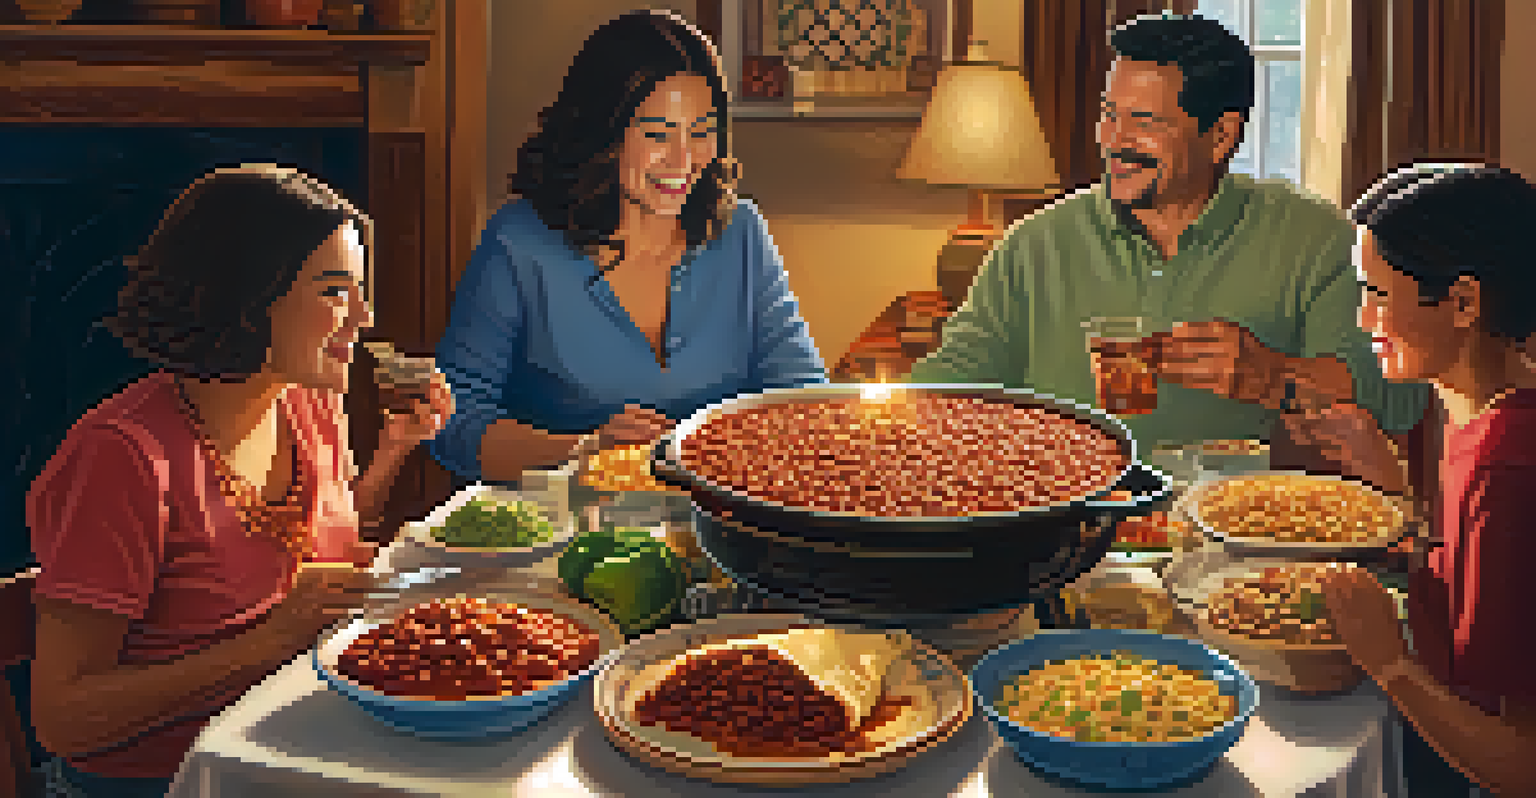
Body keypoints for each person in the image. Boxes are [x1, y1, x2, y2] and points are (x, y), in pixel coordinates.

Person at [26, 164, 454, 796]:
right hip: (172, 780)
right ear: (247, 297)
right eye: (335, 291)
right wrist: (272, 640)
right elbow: (63, 721)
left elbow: (319, 549)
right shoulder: (122, 457)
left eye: (362, 290)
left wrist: (394, 451)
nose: (363, 318)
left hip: (293, 735)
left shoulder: (307, 402)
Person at [907, 13, 1428, 452]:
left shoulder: (1311, 237)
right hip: (1071, 523)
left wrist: (1271, 376)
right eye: (1110, 116)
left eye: (1145, 122)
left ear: (1221, 135)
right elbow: (952, 379)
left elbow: (1398, 400)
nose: (1115, 141)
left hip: (1244, 540)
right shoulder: (1033, 245)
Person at [431, 9, 826, 484]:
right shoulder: (519, 242)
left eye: (702, 132)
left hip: (716, 526)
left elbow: (802, 400)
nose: (684, 159)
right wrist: (584, 451)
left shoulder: (743, 234)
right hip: (558, 535)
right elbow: (450, 423)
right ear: (604, 132)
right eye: (658, 134)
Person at [1281, 164, 1536, 797]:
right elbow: (1465, 604)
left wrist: (1388, 663)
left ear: (1464, 303)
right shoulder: (1481, 409)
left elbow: (1519, 767)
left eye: (1380, 295)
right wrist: (1392, 490)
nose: (1364, 320)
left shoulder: (1507, 464)